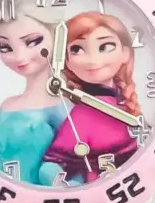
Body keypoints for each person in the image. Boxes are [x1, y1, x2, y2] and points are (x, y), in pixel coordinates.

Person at [39, 11, 140, 186]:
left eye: (105, 47)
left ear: (125, 53)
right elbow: (52, 163)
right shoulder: (82, 115)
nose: (92, 60)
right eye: (77, 49)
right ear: (67, 62)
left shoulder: (123, 100)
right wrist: (66, 187)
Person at [0, 1, 67, 185]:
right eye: (5, 47)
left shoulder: (63, 105)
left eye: (33, 42)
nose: (19, 57)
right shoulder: (7, 105)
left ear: (57, 37)